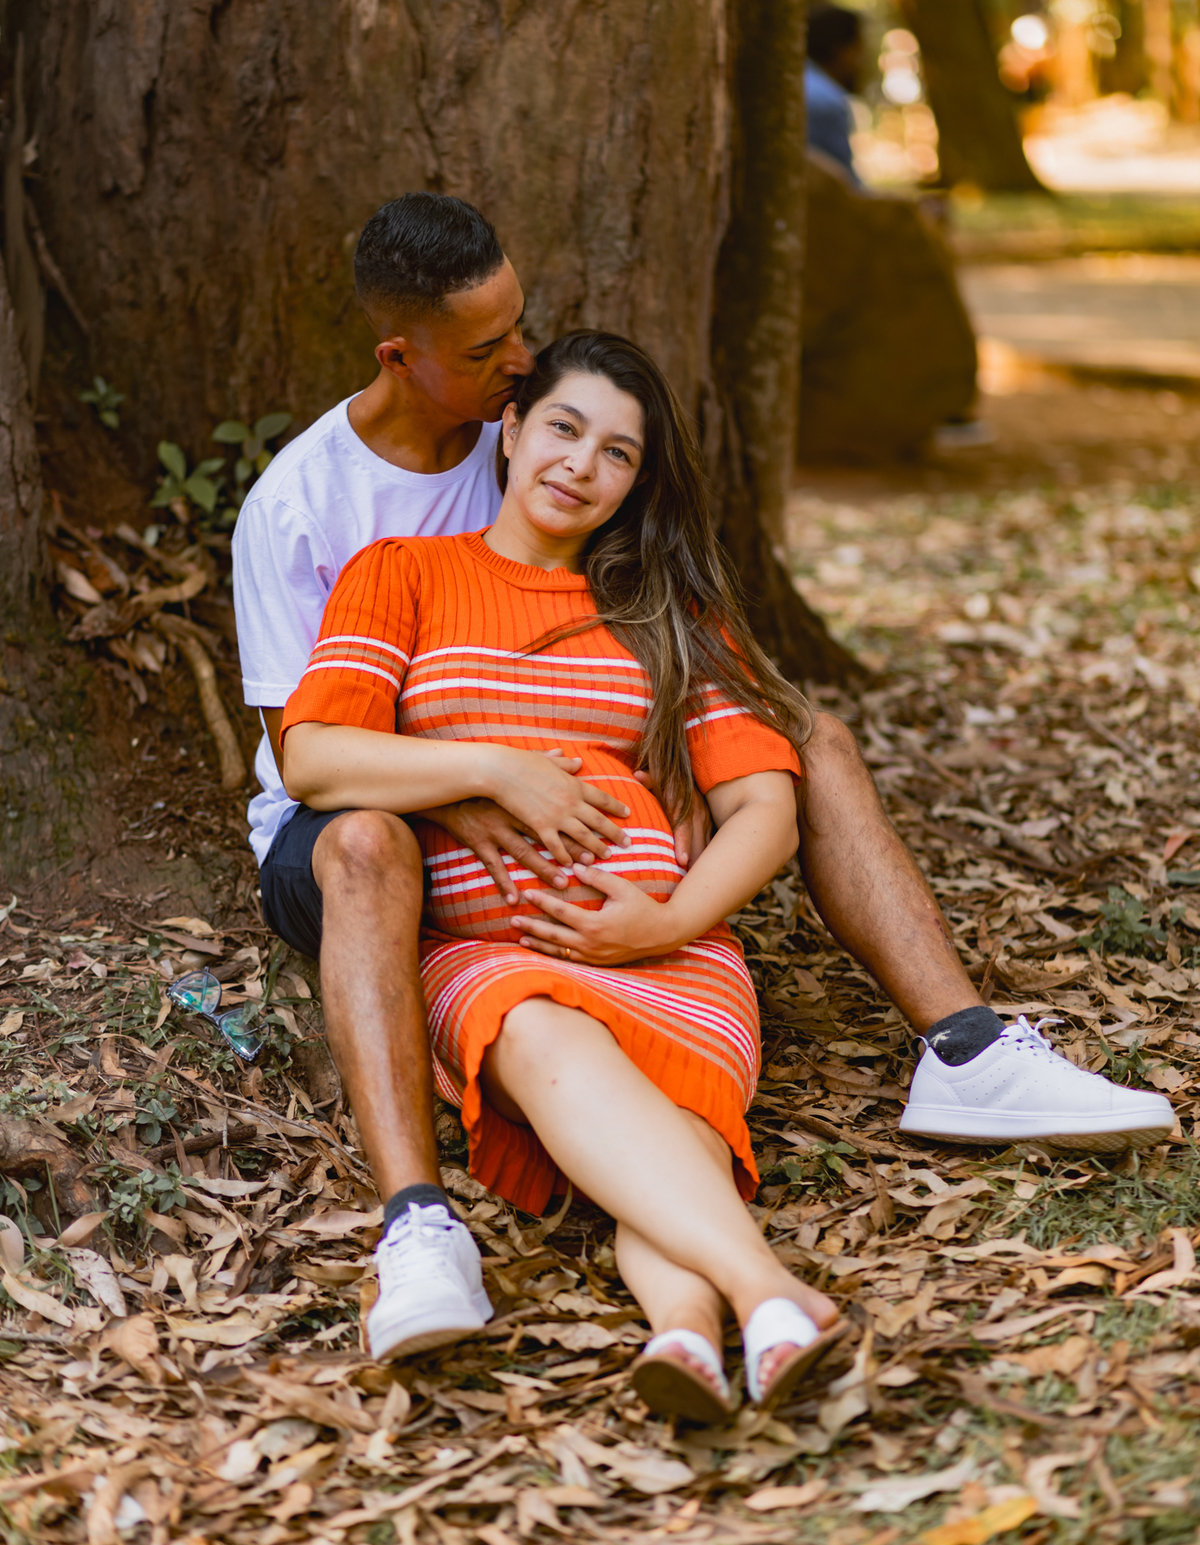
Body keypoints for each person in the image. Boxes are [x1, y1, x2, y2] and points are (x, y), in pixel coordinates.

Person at [232, 193, 1175, 1365]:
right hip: (365, 837)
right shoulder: (322, 517)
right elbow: (312, 758)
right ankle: (427, 1230)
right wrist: (501, 777)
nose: (519, 360)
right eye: (491, 356)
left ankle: (963, 1055)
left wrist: (666, 889)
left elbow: (734, 766)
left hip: (637, 921)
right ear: (405, 360)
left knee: (810, 742)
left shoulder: (599, 532)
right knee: (376, 846)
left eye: (521, 331)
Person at [281, 331, 849, 1417]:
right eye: (563, 428)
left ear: (636, 482)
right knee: (543, 1038)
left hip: (674, 957)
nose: (582, 465)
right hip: (493, 958)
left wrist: (666, 923)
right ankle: (774, 1295)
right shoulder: (404, 572)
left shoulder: (662, 611)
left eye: (617, 453)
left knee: (667, 1158)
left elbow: (765, 812)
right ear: (508, 430)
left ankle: (690, 1338)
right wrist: (496, 768)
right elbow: (314, 757)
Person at [805, 4, 866, 183]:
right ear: (840, 50)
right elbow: (845, 185)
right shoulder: (827, 102)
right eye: (858, 50)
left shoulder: (796, 80)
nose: (861, 63)